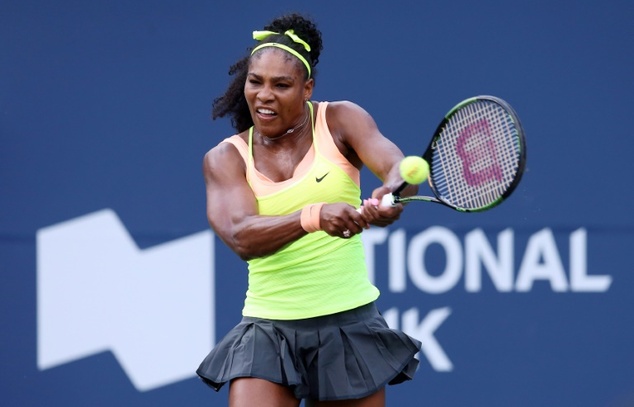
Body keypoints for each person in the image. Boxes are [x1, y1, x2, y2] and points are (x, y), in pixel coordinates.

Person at [196, 12, 421, 407]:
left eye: (281, 85)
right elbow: (240, 235)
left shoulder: (341, 120)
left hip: (348, 329)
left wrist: (392, 192)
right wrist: (314, 216)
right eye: (255, 82)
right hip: (268, 331)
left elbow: (397, 167)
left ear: (307, 88)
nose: (264, 95)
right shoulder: (225, 159)